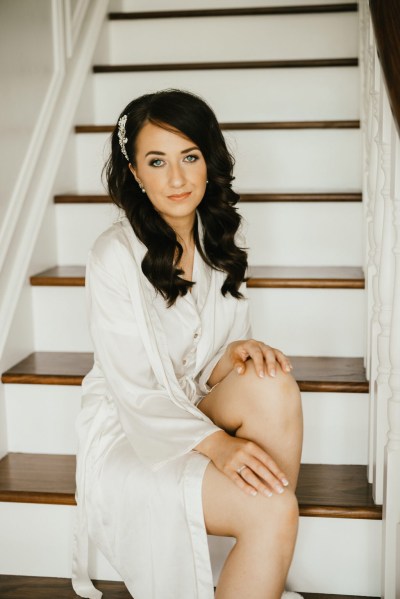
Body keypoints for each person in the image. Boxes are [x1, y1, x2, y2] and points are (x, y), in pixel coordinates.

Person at [72, 89, 303, 599]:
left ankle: (261, 537)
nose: (177, 179)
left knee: (272, 380)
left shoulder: (215, 237)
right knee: (275, 508)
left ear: (208, 161)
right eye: (157, 161)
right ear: (135, 172)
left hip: (191, 402)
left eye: (189, 157)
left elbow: (204, 358)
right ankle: (264, 529)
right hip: (133, 428)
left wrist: (237, 354)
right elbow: (135, 388)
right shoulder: (113, 254)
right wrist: (218, 444)